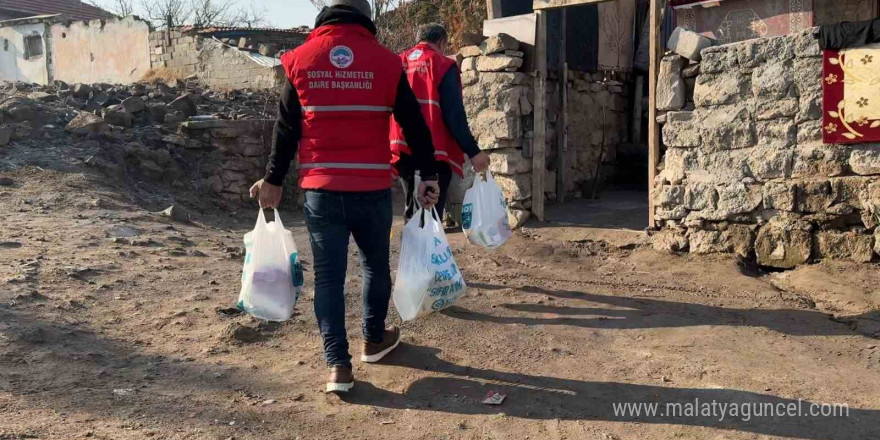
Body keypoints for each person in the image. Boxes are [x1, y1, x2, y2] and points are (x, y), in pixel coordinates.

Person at [248, 0, 440, 394]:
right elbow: (414, 125)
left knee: (330, 279)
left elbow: (286, 128)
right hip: (371, 187)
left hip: (321, 190)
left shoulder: (300, 59)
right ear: (366, 17)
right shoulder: (387, 62)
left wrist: (272, 179)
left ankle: (338, 366)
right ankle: (373, 339)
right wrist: (427, 175)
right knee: (374, 267)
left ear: (326, 16)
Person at [390, 23, 490, 221]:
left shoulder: (397, 62)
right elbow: (454, 114)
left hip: (402, 150)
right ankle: (425, 251)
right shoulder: (442, 65)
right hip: (433, 153)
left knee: (414, 212)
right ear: (442, 42)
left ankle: (413, 249)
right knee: (430, 215)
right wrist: (473, 151)